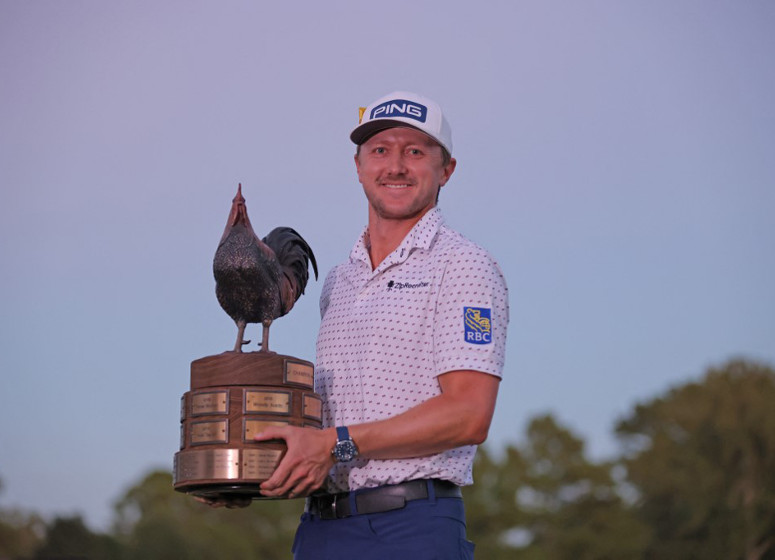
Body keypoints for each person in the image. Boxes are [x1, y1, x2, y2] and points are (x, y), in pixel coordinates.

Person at [255, 91, 509, 558]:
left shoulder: (464, 266)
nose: (395, 165)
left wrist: (336, 445)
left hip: (410, 527)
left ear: (446, 170)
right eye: (380, 150)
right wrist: (241, 476)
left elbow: (468, 414)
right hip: (320, 529)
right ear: (358, 166)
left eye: (415, 151)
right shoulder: (339, 280)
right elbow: (326, 428)